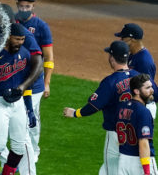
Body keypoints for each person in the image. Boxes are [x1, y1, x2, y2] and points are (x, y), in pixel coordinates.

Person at [0, 4, 42, 175]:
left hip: (21, 94)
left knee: (21, 144)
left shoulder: (25, 44)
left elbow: (38, 65)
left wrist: (28, 105)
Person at [63, 41, 139, 175]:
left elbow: (93, 106)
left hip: (116, 135)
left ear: (112, 57)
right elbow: (153, 96)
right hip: (136, 134)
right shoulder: (140, 77)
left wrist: (76, 113)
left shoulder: (110, 82)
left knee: (110, 170)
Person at [15, 0, 54, 162]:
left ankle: (34, 150)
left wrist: (47, 82)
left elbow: (49, 57)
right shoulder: (11, 22)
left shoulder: (41, 26)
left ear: (33, 5)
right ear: (17, 4)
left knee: (31, 116)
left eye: (28, 6)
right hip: (14, 76)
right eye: (21, 6)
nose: (24, 9)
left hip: (35, 82)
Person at [116, 73, 158, 175]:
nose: (152, 90)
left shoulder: (123, 107)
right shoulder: (143, 112)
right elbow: (143, 143)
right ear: (136, 91)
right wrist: (147, 172)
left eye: (151, 87)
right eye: (147, 88)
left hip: (123, 160)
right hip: (139, 162)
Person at [115, 23, 157, 119]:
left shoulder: (144, 61)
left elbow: (147, 90)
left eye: (123, 38)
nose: (120, 41)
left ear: (132, 39)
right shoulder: (132, 55)